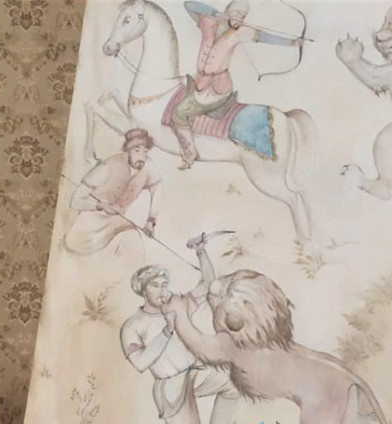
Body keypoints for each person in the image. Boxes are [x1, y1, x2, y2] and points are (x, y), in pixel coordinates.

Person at [118, 237, 240, 424]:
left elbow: (209, 285)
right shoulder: (133, 326)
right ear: (143, 290)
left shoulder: (176, 305)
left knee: (236, 383)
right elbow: (141, 363)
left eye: (164, 284)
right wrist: (167, 331)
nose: (162, 290)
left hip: (197, 373)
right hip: (171, 387)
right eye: (155, 285)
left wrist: (201, 252)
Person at [171, 1, 301, 168]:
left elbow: (266, 37)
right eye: (236, 14)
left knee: (178, 113)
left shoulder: (240, 32)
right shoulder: (208, 22)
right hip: (199, 81)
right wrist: (215, 14)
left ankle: (190, 153)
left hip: (217, 87)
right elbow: (188, 5)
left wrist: (292, 43)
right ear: (227, 12)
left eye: (243, 16)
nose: (239, 19)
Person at [63, 129, 162, 255]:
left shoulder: (148, 166)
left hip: (117, 221)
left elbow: (157, 188)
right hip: (92, 222)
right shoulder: (107, 166)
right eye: (137, 151)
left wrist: (151, 221)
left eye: (145, 152)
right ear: (128, 151)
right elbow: (75, 201)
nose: (141, 157)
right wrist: (99, 205)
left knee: (132, 241)